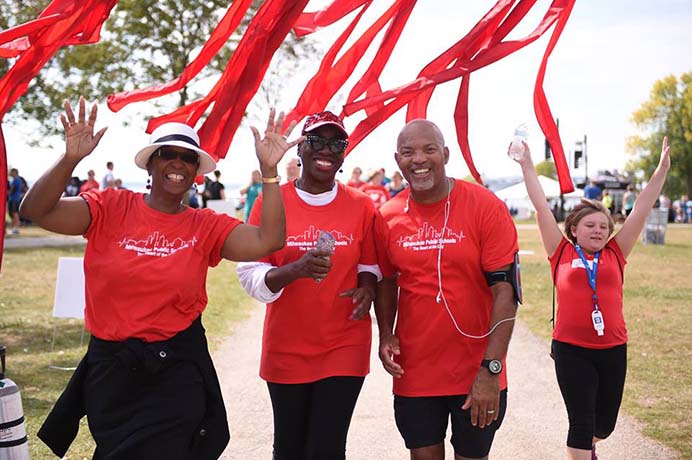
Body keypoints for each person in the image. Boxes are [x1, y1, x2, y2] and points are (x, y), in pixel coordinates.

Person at [21, 97, 301, 460]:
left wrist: (269, 171)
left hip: (176, 369)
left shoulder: (205, 225)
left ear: (196, 172)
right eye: (168, 153)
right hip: (113, 371)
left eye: (188, 158)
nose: (178, 164)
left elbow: (269, 240)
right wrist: (70, 158)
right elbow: (34, 210)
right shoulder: (110, 206)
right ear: (151, 163)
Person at [511, 137, 671, 460]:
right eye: (590, 225)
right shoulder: (560, 252)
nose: (598, 231)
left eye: (603, 226)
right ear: (574, 229)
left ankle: (591, 446)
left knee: (605, 425)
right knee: (581, 423)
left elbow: (641, 209)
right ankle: (584, 449)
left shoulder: (616, 252)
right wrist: (527, 165)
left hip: (613, 348)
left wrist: (660, 172)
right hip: (571, 350)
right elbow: (541, 205)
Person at [236, 110, 380, 460]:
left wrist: (366, 286)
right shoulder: (272, 201)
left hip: (344, 343)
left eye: (336, 143)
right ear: (299, 149)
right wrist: (293, 271)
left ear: (344, 152)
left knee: (326, 448)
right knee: (289, 448)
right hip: (287, 346)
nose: (326, 150)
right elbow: (250, 275)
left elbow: (371, 264)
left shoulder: (361, 206)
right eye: (317, 141)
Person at [375, 119, 520, 460]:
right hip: (416, 373)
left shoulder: (486, 206)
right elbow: (386, 279)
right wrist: (385, 333)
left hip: (477, 370)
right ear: (398, 160)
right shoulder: (387, 216)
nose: (419, 159)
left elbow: (506, 293)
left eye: (429, 150)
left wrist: (491, 369)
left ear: (446, 154)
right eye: (408, 152)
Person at [7, 168, 25, 234]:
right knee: (13, 213)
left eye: (11, 172)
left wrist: (6, 193)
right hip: (15, 199)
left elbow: (12, 190)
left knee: (14, 213)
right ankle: (14, 228)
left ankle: (16, 228)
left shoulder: (16, 180)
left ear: (15, 172)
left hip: (14, 199)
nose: (10, 173)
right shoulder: (19, 180)